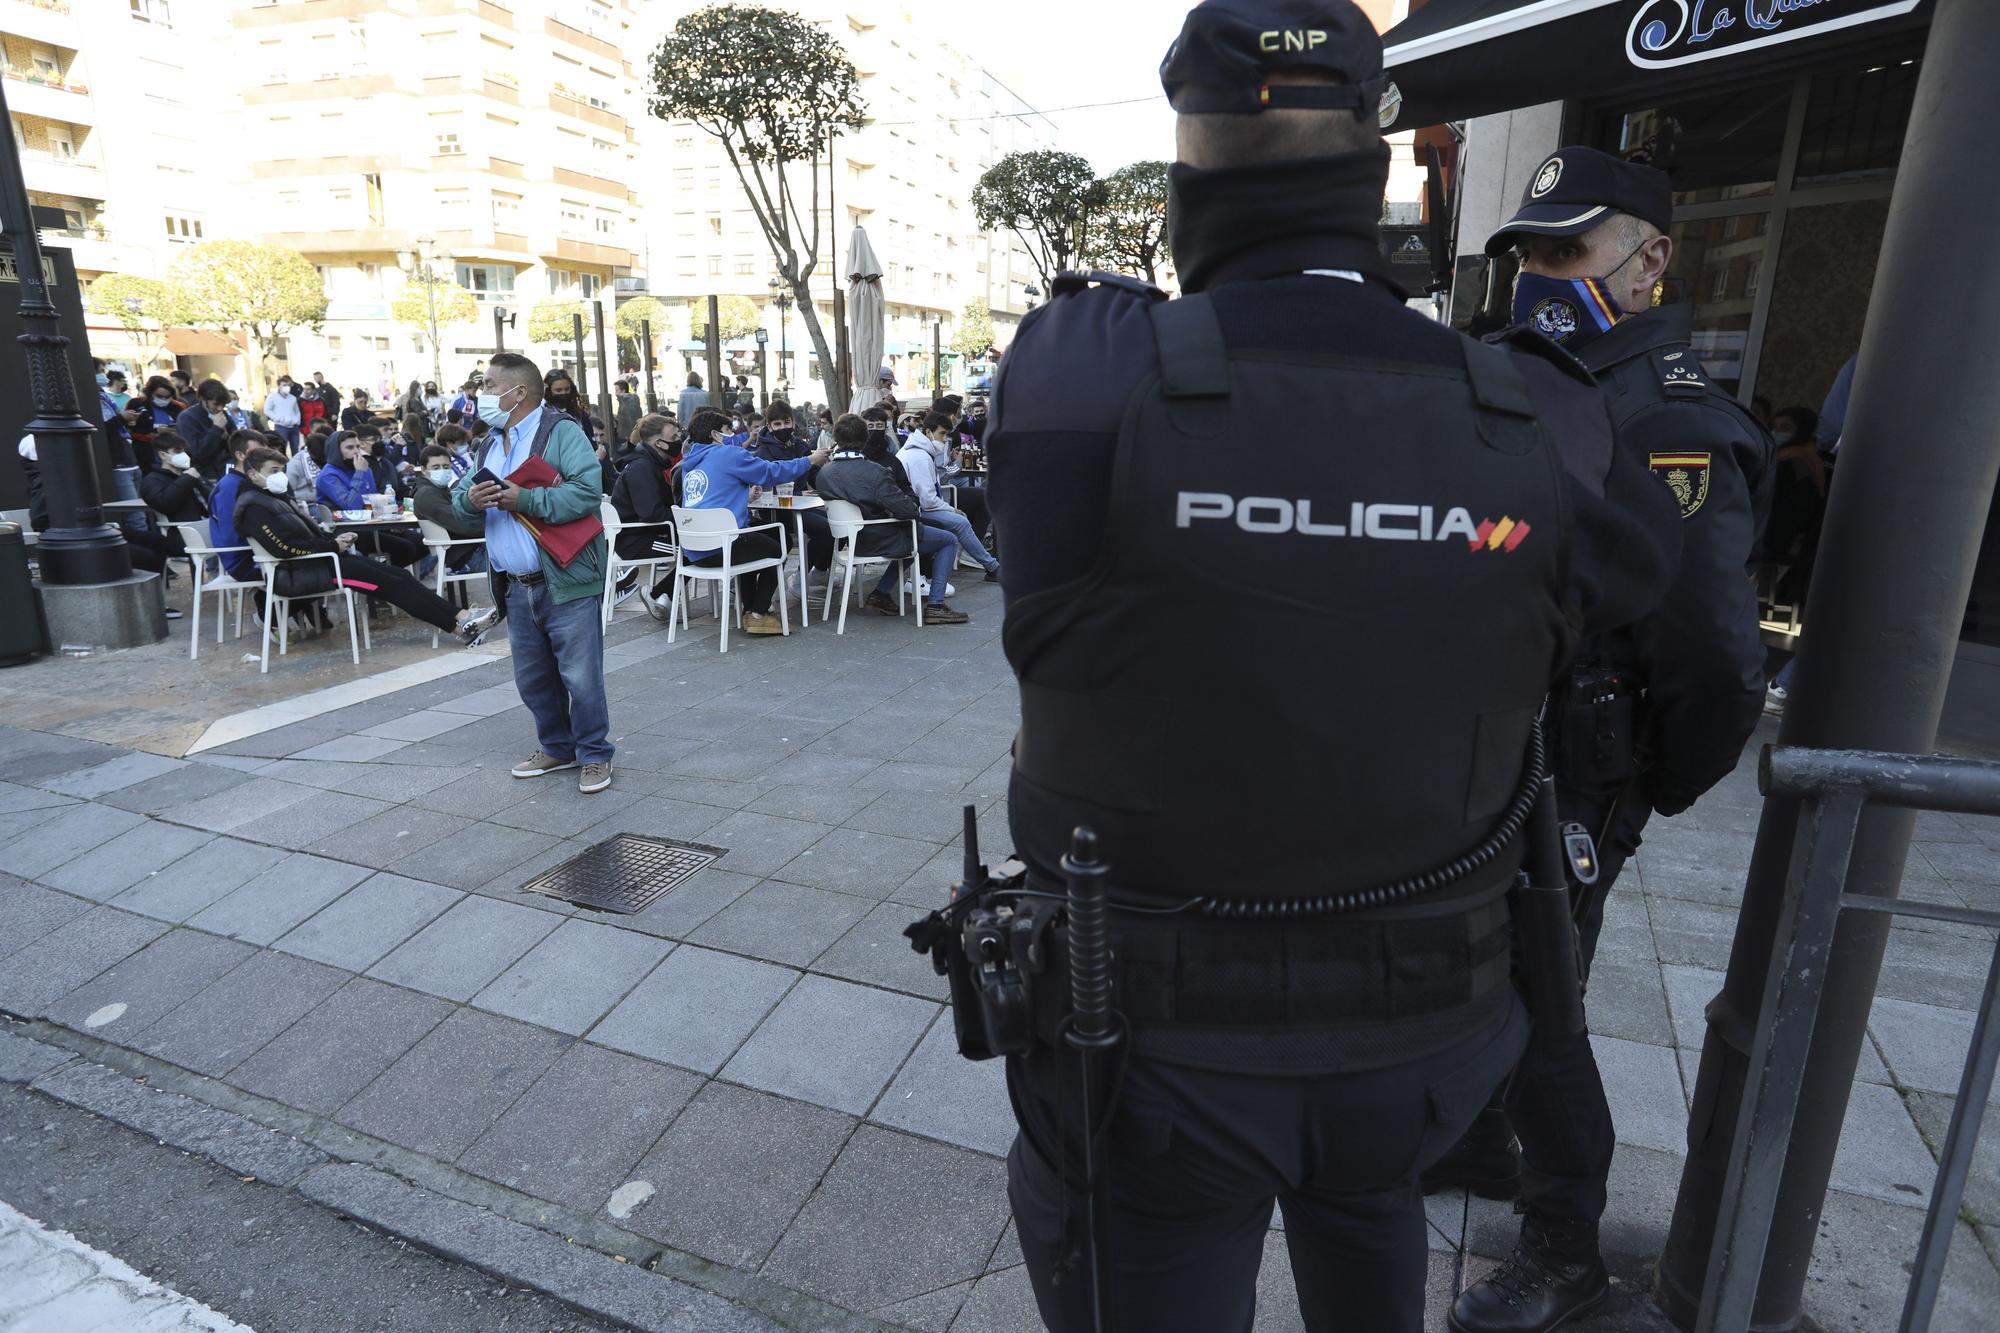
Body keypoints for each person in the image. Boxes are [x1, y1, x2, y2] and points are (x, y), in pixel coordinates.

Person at [981, 5, 1683, 1329]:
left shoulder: (1082, 375)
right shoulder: (1538, 411)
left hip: (1154, 1048)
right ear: (1388, 158)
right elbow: (1661, 607)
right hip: (1427, 1039)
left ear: (1190, 151)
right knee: (1370, 1227)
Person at [1428, 145, 1774, 1333]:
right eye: (1525, 249)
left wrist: (1639, 789)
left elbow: (1713, 651)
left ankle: (1561, 1244)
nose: (1534, 272)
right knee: (1476, 965)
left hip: (1572, 767)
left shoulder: (1663, 414)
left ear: (1649, 260)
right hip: (1481, 741)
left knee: (1542, 990)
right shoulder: (1514, 379)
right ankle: (1476, 1143)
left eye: (1563, 249)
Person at [452, 352, 616, 793]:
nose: (480, 394)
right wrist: (472, 502)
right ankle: (558, 746)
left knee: (580, 675)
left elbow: (587, 494)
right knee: (533, 677)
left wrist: (521, 500)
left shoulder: (560, 432)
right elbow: (460, 503)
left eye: (488, 385)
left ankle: (594, 753)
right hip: (514, 584)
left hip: (564, 578)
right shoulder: (488, 442)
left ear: (517, 392)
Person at [235, 446, 495, 644]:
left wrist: (335, 542)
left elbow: (301, 537)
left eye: (281, 470)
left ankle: (460, 616)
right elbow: (284, 548)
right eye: (273, 472)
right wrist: (332, 546)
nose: (280, 476)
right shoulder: (254, 506)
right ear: (252, 474)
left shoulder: (273, 498)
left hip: (327, 561)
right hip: (310, 571)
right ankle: (460, 627)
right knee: (392, 585)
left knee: (398, 574)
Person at [674, 407, 828, 636]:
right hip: (723, 545)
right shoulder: (727, 454)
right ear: (716, 435)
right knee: (778, 548)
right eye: (728, 431)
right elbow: (771, 472)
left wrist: (742, 497)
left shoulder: (689, 463)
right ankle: (759, 613)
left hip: (695, 550)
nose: (733, 436)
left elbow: (714, 496)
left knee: (756, 540)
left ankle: (751, 609)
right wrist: (809, 460)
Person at [817, 414, 967, 623]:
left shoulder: (824, 473)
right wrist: (909, 506)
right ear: (865, 438)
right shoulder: (874, 471)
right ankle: (935, 605)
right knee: (947, 539)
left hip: (849, 542)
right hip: (880, 539)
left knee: (909, 534)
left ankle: (881, 593)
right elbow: (907, 511)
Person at [898, 410, 999, 582]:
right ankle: (991, 566)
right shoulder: (920, 457)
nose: (945, 439)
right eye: (942, 434)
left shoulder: (920, 451)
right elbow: (927, 499)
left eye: (946, 434)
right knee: (960, 522)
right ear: (928, 432)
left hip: (917, 506)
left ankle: (990, 565)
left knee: (963, 517)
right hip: (915, 510)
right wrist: (952, 509)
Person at [609, 413, 682, 609]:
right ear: (660, 443)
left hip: (642, 535)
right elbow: (652, 513)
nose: (679, 441)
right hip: (636, 541)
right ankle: (657, 594)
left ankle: (661, 593)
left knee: (699, 546)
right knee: (696, 550)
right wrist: (685, 520)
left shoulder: (649, 464)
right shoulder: (642, 467)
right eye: (674, 438)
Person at [411, 444, 487, 576]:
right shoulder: (427, 495)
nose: (442, 470)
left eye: (446, 467)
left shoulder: (439, 490)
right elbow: (464, 525)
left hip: (470, 551)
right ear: (423, 470)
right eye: (436, 467)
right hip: (467, 556)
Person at [140, 431, 212, 524]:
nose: (183, 455)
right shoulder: (151, 480)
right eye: (177, 452)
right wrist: (187, 479)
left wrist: (199, 482)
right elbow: (165, 505)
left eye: (184, 451)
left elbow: (214, 498)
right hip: (182, 531)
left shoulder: (191, 473)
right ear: (162, 455)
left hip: (208, 524)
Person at [176, 381, 236, 479]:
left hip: (225, 466)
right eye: (215, 404)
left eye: (223, 404)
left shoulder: (223, 415)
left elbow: (236, 443)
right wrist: (216, 429)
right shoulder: (187, 418)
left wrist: (227, 437)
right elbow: (196, 452)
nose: (220, 408)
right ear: (203, 399)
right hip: (203, 471)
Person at [263, 376, 302, 451]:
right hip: (281, 427)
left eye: (288, 385)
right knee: (281, 448)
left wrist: (297, 420)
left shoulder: (292, 398)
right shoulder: (272, 397)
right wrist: (278, 418)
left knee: (295, 449)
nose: (287, 387)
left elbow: (297, 411)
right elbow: (267, 410)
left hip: (294, 427)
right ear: (279, 386)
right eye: (284, 385)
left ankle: (295, 463)